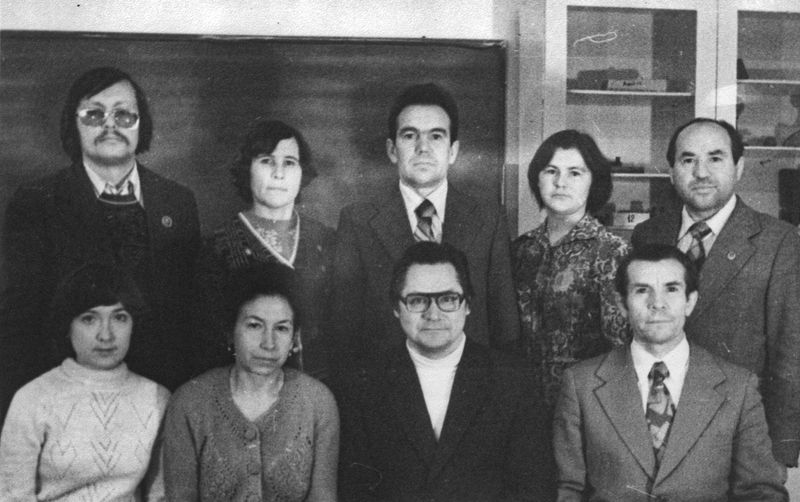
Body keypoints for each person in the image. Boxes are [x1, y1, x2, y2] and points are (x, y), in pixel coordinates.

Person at [0, 66, 201, 420]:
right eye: (94, 115)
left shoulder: (177, 202)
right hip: (68, 407)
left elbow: (188, 318)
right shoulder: (37, 203)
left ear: (141, 124)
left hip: (160, 402)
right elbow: (18, 327)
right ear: (73, 124)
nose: (110, 125)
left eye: (124, 115)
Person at [553, 244, 787, 501]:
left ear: (690, 301)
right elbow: (567, 489)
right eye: (642, 290)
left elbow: (761, 492)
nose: (657, 303)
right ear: (622, 304)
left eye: (671, 289)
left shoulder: (738, 387)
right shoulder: (581, 384)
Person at [631, 118, 800, 468]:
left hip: (739, 441)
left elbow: (791, 356)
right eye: (688, 160)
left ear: (739, 167)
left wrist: (778, 454)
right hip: (655, 432)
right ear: (671, 171)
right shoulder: (648, 235)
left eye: (715, 158)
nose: (701, 172)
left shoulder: (778, 242)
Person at [337, 242, 553, 501]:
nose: (433, 314)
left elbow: (534, 489)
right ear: (396, 308)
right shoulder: (363, 384)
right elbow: (355, 491)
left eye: (448, 299)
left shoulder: (513, 379)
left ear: (467, 304)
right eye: (417, 300)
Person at [330, 83, 519, 376]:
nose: (423, 148)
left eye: (436, 136)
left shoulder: (489, 219)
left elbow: (505, 327)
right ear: (392, 150)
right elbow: (344, 332)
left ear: (453, 151)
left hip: (470, 385)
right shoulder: (357, 221)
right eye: (410, 135)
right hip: (386, 386)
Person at [163, 263, 339, 501]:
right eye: (254, 325)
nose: (269, 343)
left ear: (294, 338)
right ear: (230, 331)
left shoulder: (318, 402)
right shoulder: (189, 403)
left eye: (282, 328)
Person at [0, 263, 169, 501]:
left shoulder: (157, 398)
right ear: (67, 326)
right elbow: (12, 496)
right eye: (89, 319)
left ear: (134, 324)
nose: (106, 335)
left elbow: (160, 495)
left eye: (120, 318)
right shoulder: (32, 398)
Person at [198, 119, 334, 380]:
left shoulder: (327, 239)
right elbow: (209, 343)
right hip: (246, 386)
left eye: (289, 163)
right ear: (247, 170)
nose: (278, 173)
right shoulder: (216, 247)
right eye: (266, 161)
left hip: (322, 388)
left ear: (302, 173)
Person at [513, 129, 629, 408]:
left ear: (594, 181)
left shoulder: (611, 251)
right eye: (551, 171)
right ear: (537, 178)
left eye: (575, 173)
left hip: (585, 402)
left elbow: (621, 347)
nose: (560, 182)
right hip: (521, 400)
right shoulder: (520, 249)